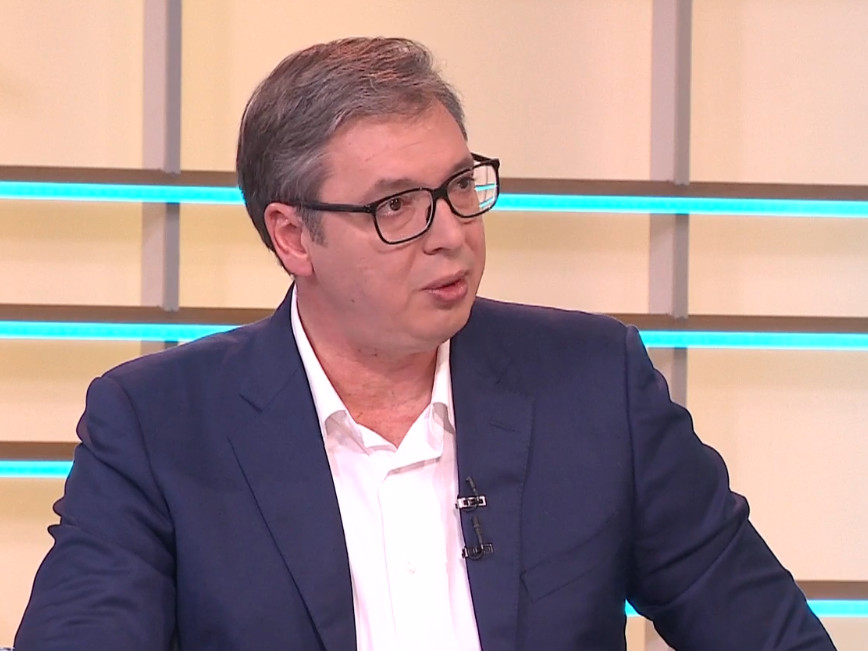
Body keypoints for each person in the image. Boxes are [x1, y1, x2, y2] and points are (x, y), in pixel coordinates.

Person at [16, 37, 835, 651]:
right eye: (397, 205)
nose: (451, 234)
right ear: (293, 236)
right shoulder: (159, 423)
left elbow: (768, 632)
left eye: (459, 186)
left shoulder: (593, 384)